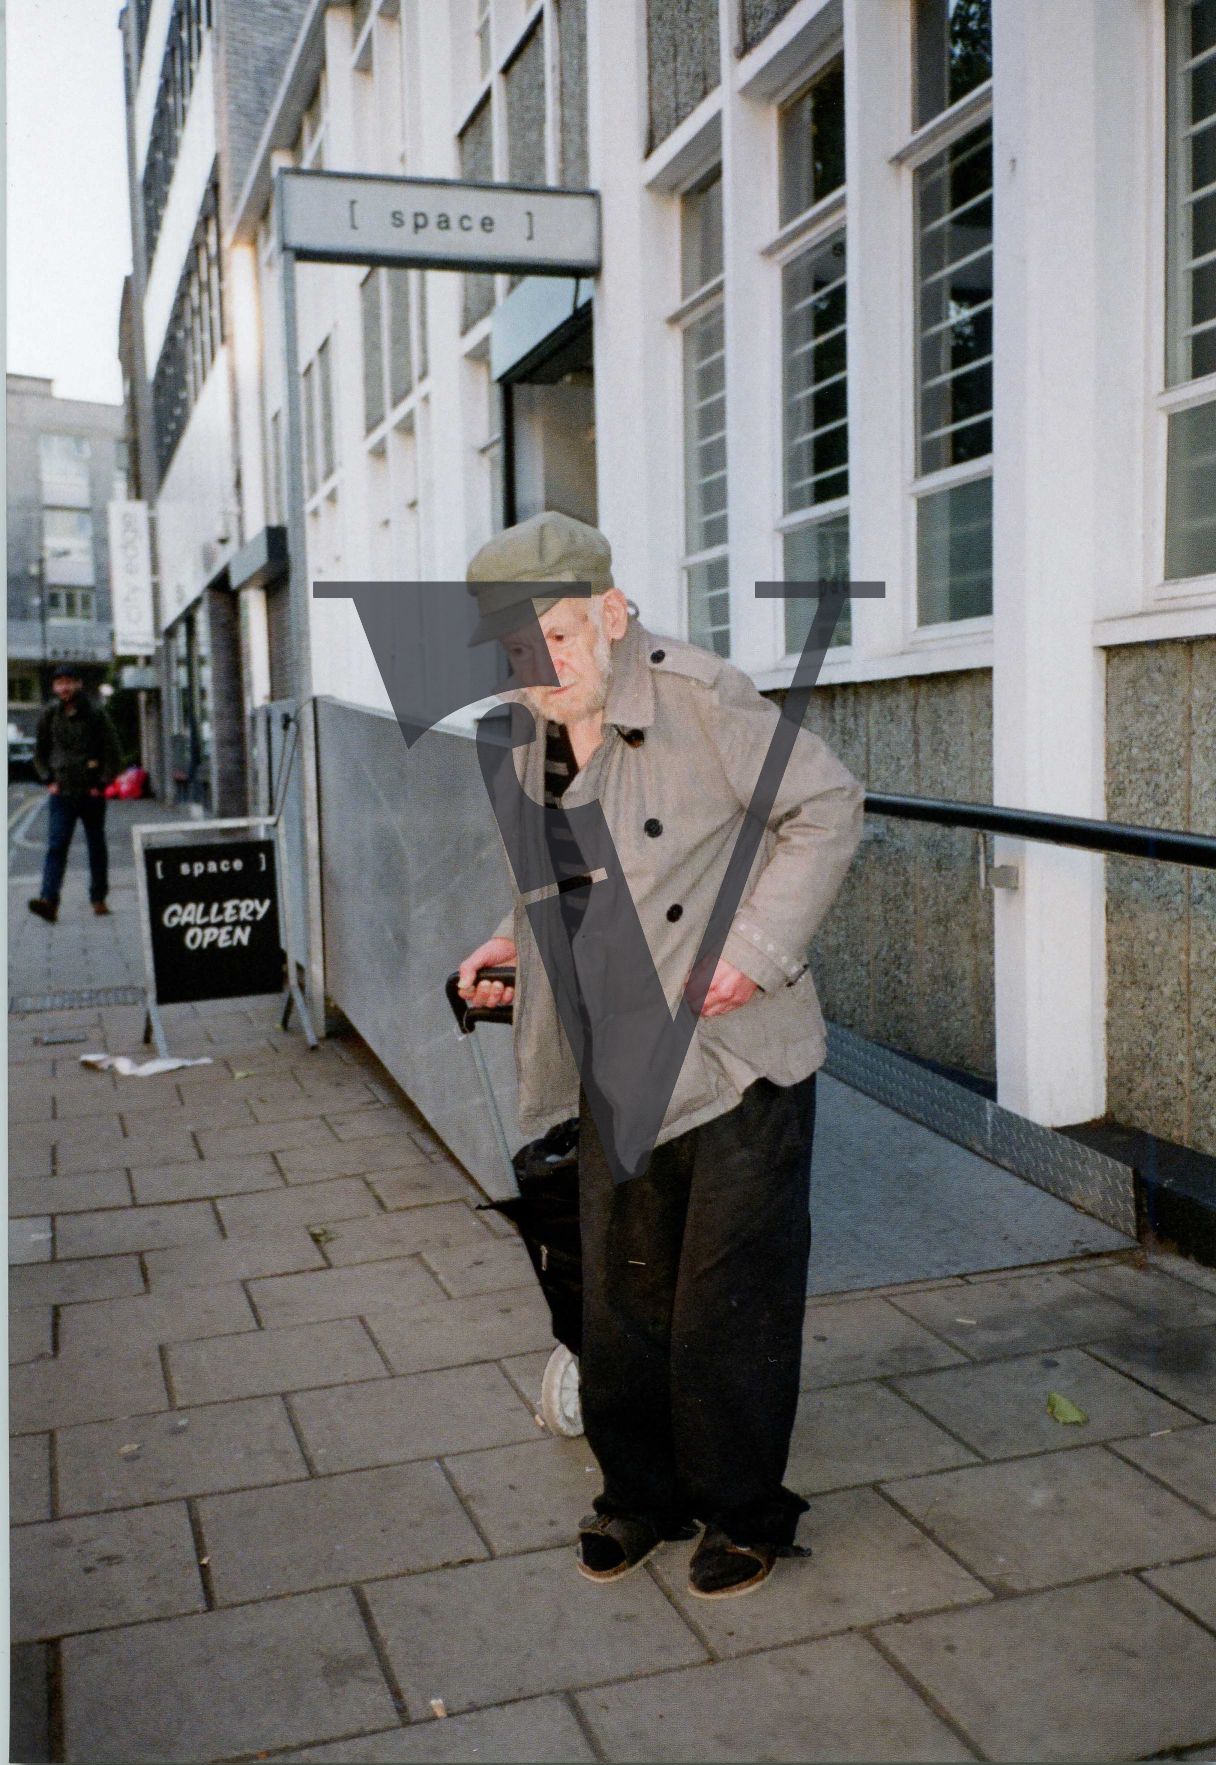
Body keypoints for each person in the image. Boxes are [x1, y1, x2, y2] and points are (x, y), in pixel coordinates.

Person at [458, 511, 864, 1600]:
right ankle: (638, 1495)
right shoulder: (516, 736)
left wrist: (756, 947)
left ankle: (741, 1511)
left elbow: (826, 805)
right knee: (620, 1295)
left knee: (728, 1298)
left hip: (734, 1055)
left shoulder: (699, 697)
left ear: (612, 611)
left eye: (558, 631)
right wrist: (509, 938)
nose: (540, 664)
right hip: (613, 1053)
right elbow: (557, 871)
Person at [28, 666, 123, 924]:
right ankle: (48, 900)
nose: (64, 688)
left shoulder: (95, 713)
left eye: (69, 682)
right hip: (62, 792)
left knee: (96, 846)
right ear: (54, 688)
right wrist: (48, 779)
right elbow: (39, 753)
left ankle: (98, 897)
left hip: (91, 792)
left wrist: (102, 784)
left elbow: (112, 752)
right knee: (56, 845)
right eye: (60, 683)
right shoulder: (49, 714)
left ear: (79, 684)